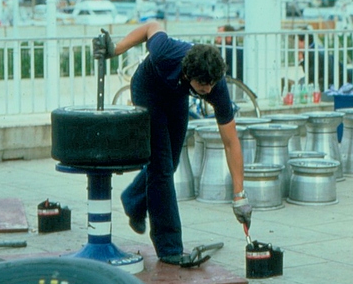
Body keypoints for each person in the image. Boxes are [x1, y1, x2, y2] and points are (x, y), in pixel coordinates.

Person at [93, 24, 252, 266]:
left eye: (211, 85)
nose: (208, 91)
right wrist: (114, 50)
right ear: (189, 75)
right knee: (161, 168)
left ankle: (134, 200)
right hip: (147, 90)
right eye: (203, 86)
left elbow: (231, 142)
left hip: (176, 96)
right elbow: (150, 27)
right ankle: (169, 247)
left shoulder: (216, 87)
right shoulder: (165, 51)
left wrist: (239, 195)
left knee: (172, 161)